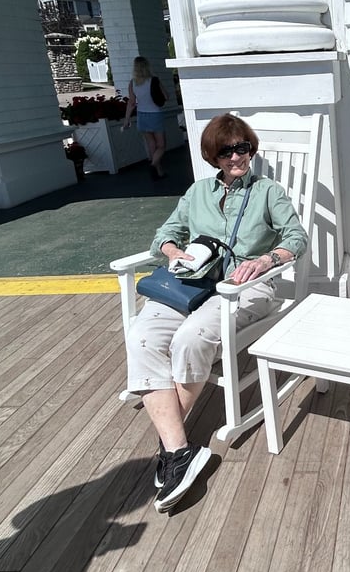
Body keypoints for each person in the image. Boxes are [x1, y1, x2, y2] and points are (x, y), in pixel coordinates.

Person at [125, 113, 308, 513]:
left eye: (242, 147)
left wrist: (265, 260)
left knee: (191, 338)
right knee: (142, 337)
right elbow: (164, 235)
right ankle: (180, 451)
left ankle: (169, 447)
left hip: (248, 286)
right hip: (194, 283)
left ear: (251, 149)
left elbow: (297, 237)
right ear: (214, 155)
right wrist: (176, 253)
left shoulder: (268, 192)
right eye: (226, 150)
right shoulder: (197, 193)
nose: (236, 156)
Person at [123, 56, 168, 179]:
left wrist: (126, 119)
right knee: (161, 145)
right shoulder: (154, 80)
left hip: (142, 115)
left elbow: (131, 102)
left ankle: (159, 172)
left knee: (151, 144)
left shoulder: (132, 83)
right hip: (155, 114)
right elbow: (166, 96)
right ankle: (153, 165)